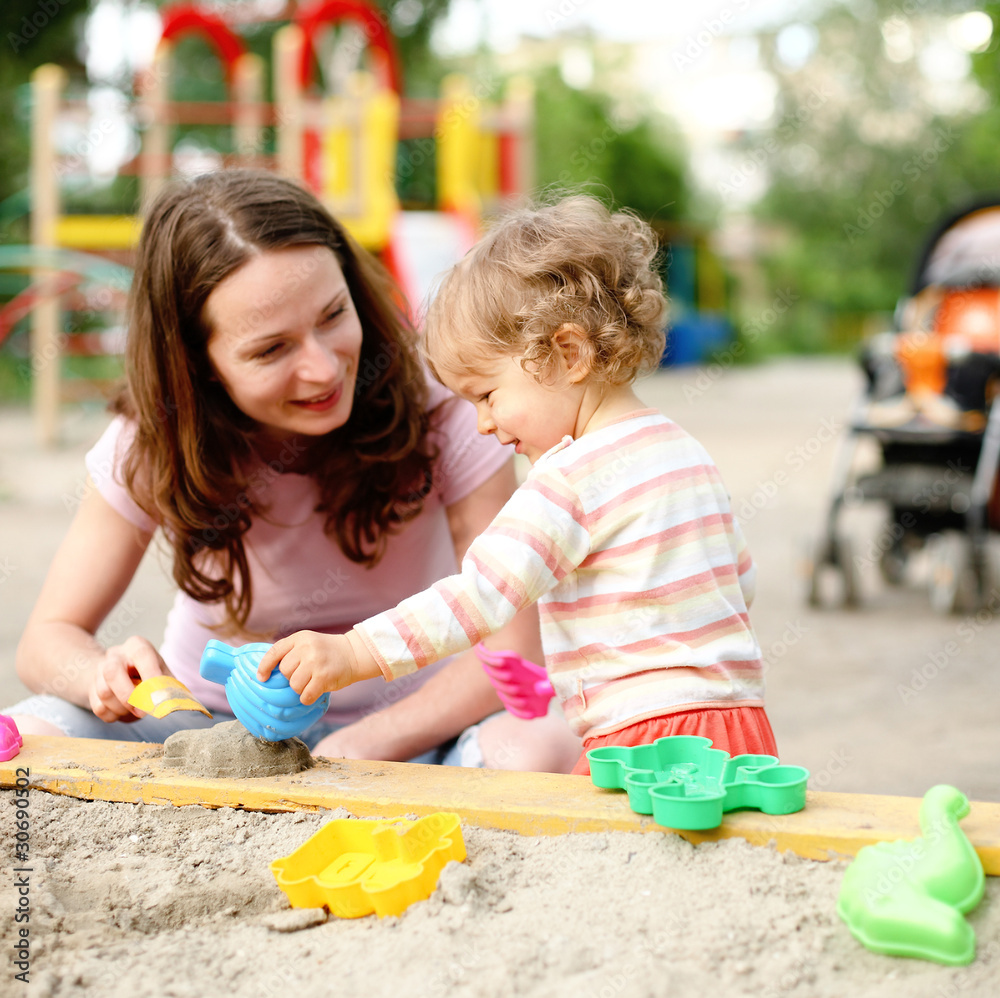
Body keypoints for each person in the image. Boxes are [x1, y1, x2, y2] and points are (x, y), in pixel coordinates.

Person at [8, 169, 582, 773]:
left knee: (540, 742)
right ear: (197, 364)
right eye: (271, 349)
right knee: (34, 729)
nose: (324, 369)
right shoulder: (151, 443)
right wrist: (100, 673)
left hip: (416, 728)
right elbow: (49, 637)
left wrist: (357, 747)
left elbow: (514, 655)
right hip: (205, 728)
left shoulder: (448, 407)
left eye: (334, 315)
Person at [256, 194, 778, 776]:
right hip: (739, 726)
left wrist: (354, 651)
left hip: (641, 738)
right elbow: (739, 579)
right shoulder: (685, 451)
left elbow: (477, 598)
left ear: (570, 353)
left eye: (487, 395)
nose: (482, 422)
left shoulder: (568, 478)